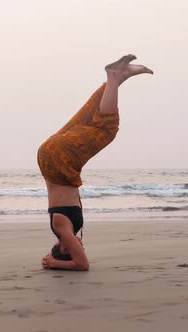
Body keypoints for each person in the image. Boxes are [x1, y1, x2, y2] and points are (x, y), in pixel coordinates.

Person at [38, 54, 153, 271]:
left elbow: (82, 265)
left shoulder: (61, 227)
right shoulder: (62, 227)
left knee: (106, 129)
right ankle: (118, 77)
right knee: (90, 115)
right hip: (52, 157)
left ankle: (113, 75)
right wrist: (53, 255)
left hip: (60, 159)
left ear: (64, 249)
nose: (80, 247)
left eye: (71, 249)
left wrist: (53, 262)